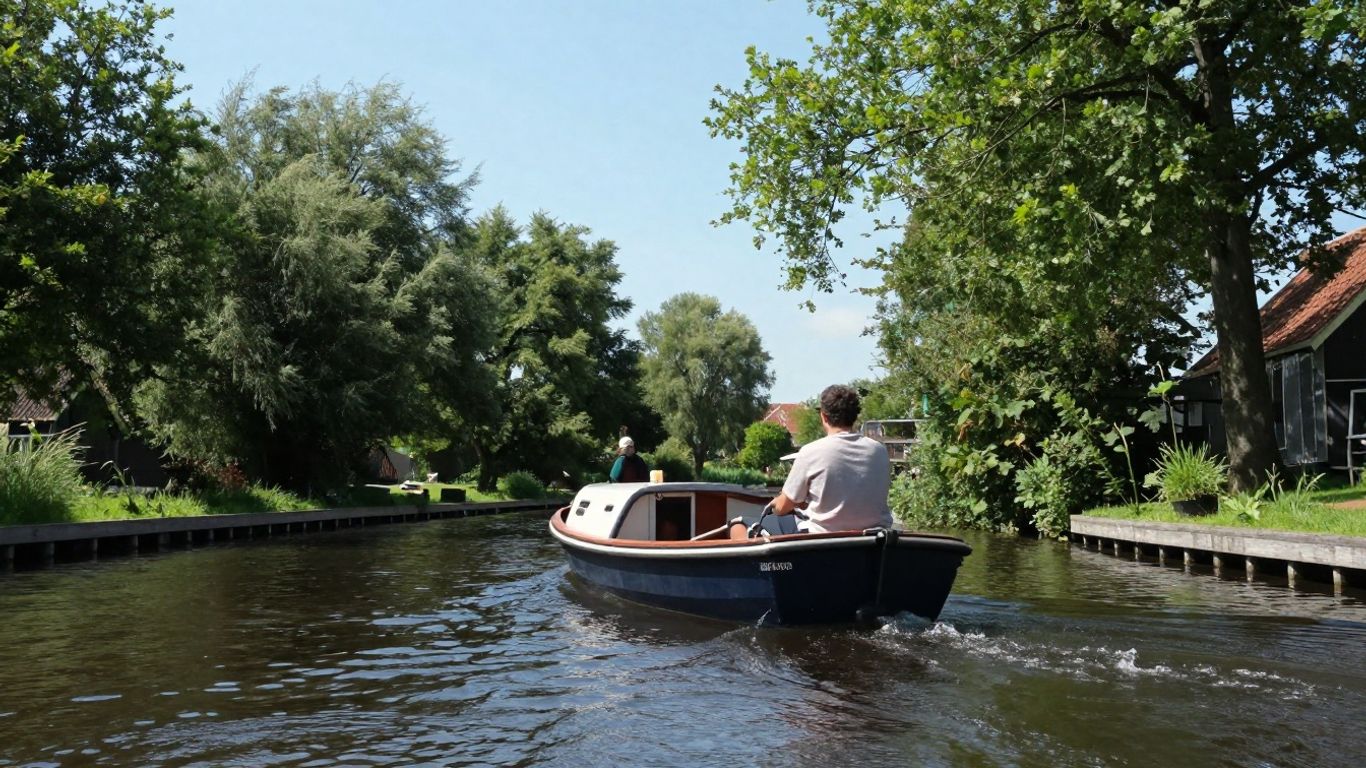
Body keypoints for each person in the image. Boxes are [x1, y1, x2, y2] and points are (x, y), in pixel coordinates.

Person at [768, 384, 892, 533]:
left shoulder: (810, 452)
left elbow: (782, 507)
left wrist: (775, 504)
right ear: (855, 416)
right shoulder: (879, 451)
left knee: (774, 519)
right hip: (874, 538)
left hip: (824, 540)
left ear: (824, 416)